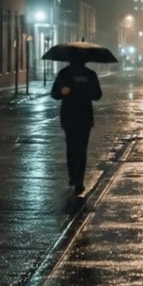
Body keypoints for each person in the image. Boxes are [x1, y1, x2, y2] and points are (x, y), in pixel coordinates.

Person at [50, 54, 102, 194]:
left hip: (69, 116)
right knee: (81, 149)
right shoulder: (90, 74)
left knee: (71, 147)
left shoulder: (64, 74)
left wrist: (62, 92)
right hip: (84, 117)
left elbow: (54, 94)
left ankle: (73, 176)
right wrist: (86, 90)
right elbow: (97, 95)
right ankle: (79, 179)